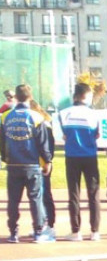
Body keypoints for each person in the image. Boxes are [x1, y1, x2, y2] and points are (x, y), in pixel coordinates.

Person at [1, 84, 54, 243]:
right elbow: (43, 143)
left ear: (15, 97)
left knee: (13, 200)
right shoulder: (37, 117)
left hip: (13, 164)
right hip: (32, 164)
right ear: (30, 97)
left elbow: (1, 141)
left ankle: (13, 232)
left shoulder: (5, 116)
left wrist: (5, 158)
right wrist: (48, 161)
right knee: (35, 199)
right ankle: (39, 232)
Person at [58, 82, 102, 241]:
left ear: (75, 95)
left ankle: (76, 231)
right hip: (90, 156)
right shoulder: (94, 114)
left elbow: (63, 136)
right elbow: (98, 135)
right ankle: (95, 231)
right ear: (87, 96)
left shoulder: (63, 113)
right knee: (94, 193)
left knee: (74, 194)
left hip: (72, 157)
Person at [31, 101, 57, 240]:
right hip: (37, 163)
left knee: (45, 193)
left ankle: (50, 225)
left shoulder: (44, 124)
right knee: (38, 196)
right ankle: (41, 223)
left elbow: (49, 146)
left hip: (42, 163)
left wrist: (48, 161)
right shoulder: (42, 123)